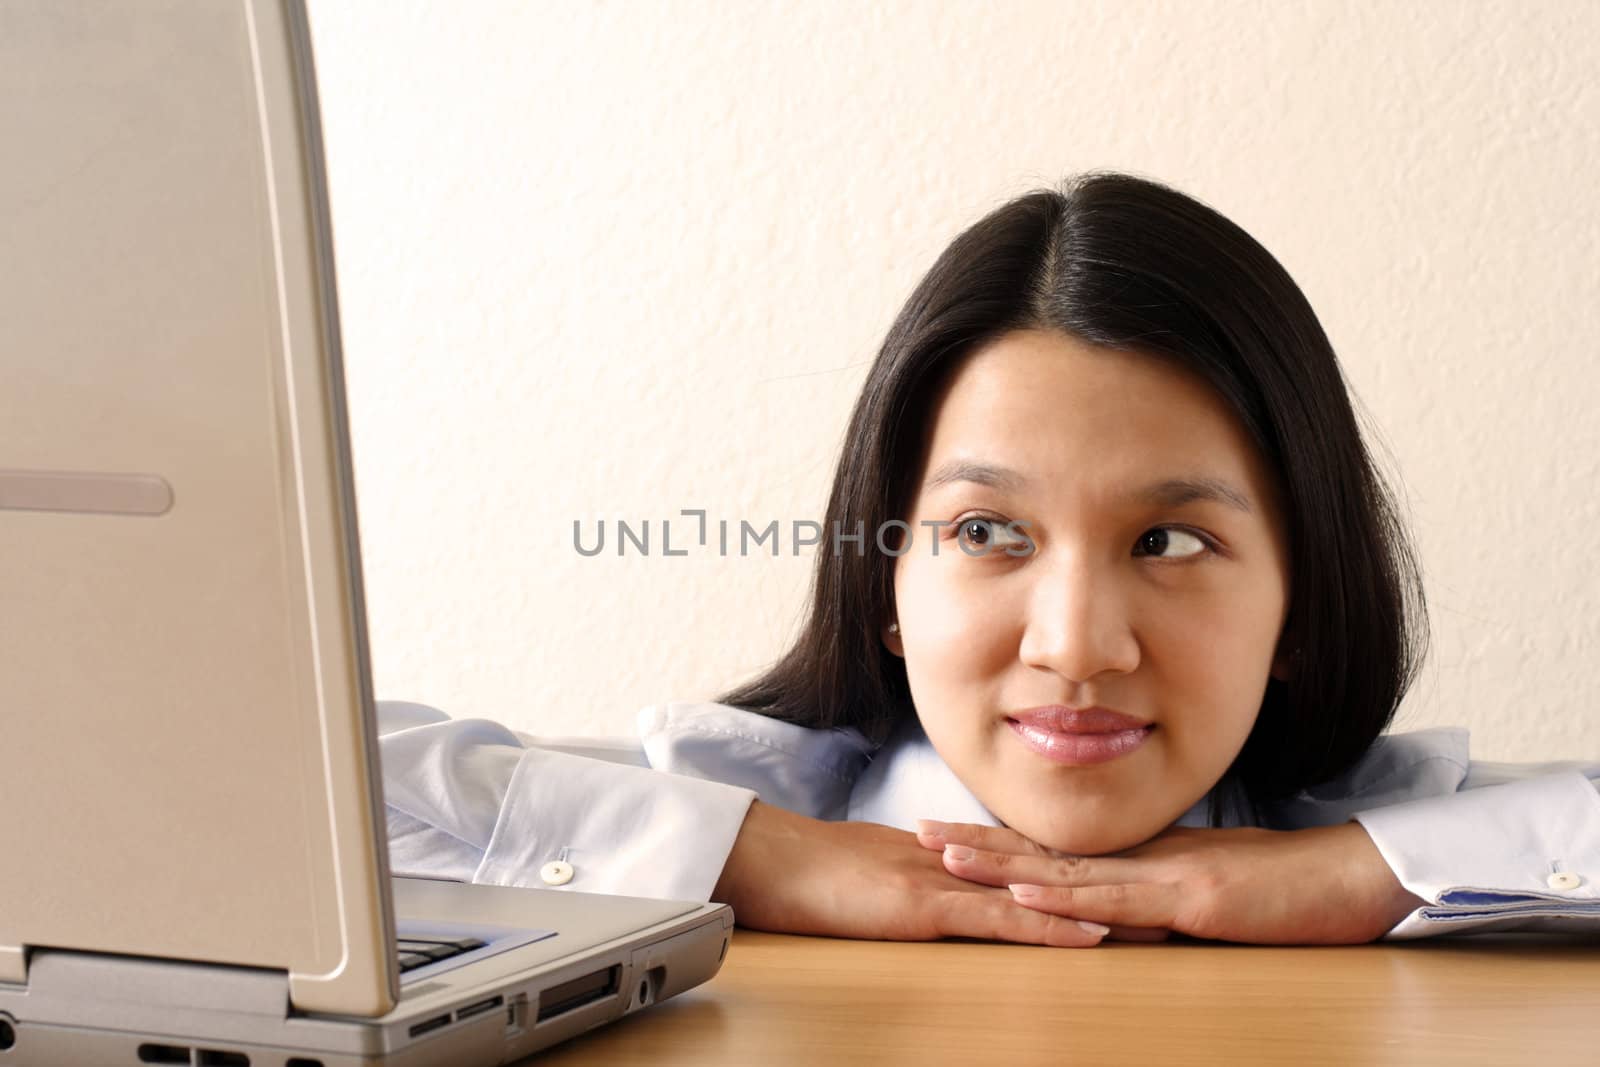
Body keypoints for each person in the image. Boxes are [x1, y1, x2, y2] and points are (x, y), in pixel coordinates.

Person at [378, 172, 1600, 947]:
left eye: (1169, 540)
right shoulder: (721, 808)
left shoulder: (1374, 840)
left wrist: (1371, 873)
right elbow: (246, 784)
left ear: (1300, 605)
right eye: (986, 533)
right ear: (888, 587)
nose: (1075, 644)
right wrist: (752, 855)